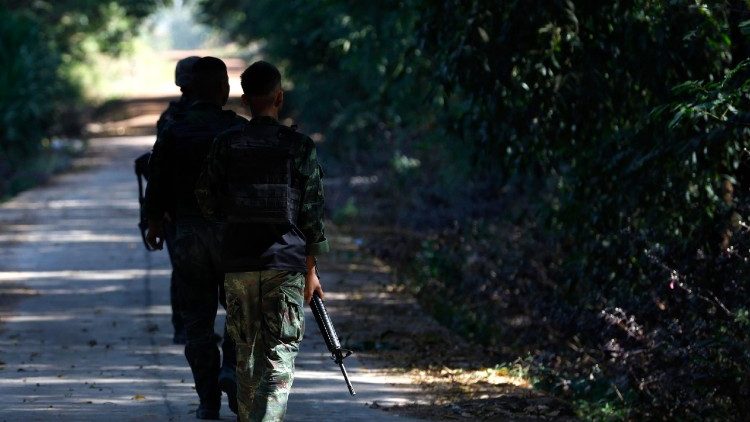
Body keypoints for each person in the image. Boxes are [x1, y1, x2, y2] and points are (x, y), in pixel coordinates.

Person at [196, 60, 329, 422]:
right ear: (279, 97)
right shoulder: (299, 147)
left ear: (244, 100)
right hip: (285, 267)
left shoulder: (226, 143)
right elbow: (312, 216)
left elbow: (206, 201)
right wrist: (311, 272)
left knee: (246, 357)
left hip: (238, 264)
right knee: (278, 357)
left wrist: (234, 220)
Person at [144, 56, 247, 420]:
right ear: (224, 90)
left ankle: (207, 402)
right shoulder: (239, 130)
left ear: (189, 90)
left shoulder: (174, 130)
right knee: (239, 312)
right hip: (234, 238)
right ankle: (231, 369)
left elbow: (156, 181)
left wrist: (153, 223)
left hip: (189, 236)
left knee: (198, 323)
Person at [159, 55, 200, 344]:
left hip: (179, 210)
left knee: (184, 269)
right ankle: (186, 327)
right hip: (192, 211)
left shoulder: (170, 119)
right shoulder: (222, 121)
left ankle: (185, 327)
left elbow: (158, 169)